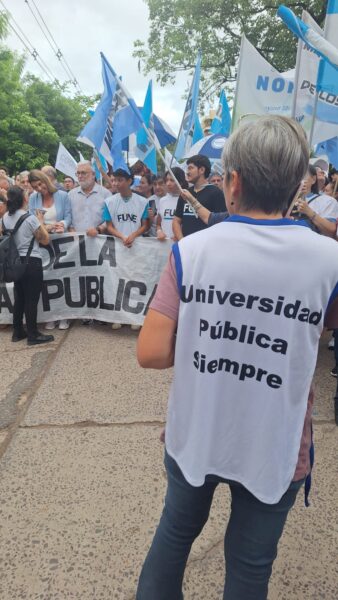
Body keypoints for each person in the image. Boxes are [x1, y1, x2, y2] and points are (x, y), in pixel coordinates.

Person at [135, 116, 338, 599]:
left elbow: (151, 352)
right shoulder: (328, 259)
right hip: (276, 441)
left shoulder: (195, 251)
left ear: (233, 182)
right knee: (250, 568)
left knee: (174, 538)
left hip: (197, 430)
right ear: (297, 186)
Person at [0, 186, 54, 346]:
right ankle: (33, 334)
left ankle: (18, 332)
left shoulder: (4, 218)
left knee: (20, 298)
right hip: (31, 262)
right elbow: (45, 239)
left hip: (14, 263)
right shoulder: (29, 218)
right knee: (31, 299)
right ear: (24, 199)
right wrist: (42, 222)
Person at [103, 168, 150, 331]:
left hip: (137, 246)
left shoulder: (142, 202)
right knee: (118, 279)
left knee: (136, 279)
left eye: (120, 180)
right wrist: (123, 237)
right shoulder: (109, 202)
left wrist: (134, 235)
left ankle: (135, 317)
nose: (116, 183)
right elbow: (109, 226)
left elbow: (145, 225)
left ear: (129, 181)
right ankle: (119, 316)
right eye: (114, 180)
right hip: (118, 246)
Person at [28, 170, 72, 330]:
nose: (39, 188)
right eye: (35, 187)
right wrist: (47, 227)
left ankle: (65, 316)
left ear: (46, 180)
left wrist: (63, 224)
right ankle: (51, 316)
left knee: (63, 279)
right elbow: (32, 221)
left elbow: (68, 216)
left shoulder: (63, 196)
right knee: (47, 281)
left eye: (40, 184)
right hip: (42, 244)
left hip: (62, 242)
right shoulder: (33, 198)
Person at [172, 154, 225, 239]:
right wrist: (182, 242)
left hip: (206, 247)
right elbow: (176, 221)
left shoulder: (216, 193)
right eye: (187, 168)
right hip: (186, 247)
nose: (187, 172)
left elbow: (221, 224)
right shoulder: (185, 193)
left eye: (190, 168)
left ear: (201, 170)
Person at [68, 162, 111, 235]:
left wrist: (99, 230)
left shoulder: (106, 194)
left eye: (83, 173)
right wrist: (71, 229)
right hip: (76, 242)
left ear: (93, 175)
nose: (80, 176)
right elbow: (67, 216)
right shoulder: (70, 195)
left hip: (99, 241)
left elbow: (111, 218)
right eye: (78, 173)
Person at [294, 164, 338, 237]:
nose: (299, 180)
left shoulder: (328, 201)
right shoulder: (284, 200)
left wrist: (308, 211)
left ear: (314, 179)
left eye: (303, 176)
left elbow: (331, 231)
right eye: (296, 176)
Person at [157, 168, 187, 241]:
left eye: (172, 180)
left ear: (181, 182)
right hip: (164, 245)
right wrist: (159, 231)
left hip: (181, 244)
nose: (168, 184)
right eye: (166, 180)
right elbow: (158, 224)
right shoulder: (162, 201)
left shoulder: (187, 200)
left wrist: (180, 236)